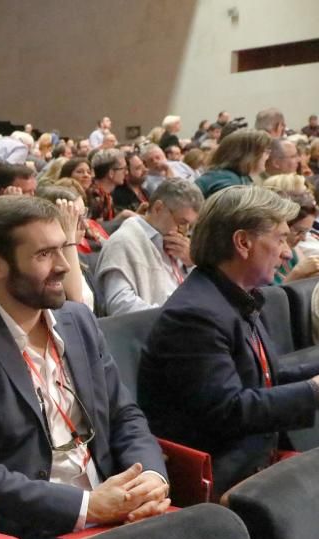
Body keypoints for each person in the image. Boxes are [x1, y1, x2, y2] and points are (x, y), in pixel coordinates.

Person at [0, 196, 169, 539]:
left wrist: (150, 476)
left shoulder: (79, 321)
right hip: (44, 530)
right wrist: (86, 506)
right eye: (44, 255)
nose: (63, 266)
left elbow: (124, 415)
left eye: (62, 249)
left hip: (120, 506)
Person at [139, 186, 319, 496]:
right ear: (243, 242)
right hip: (224, 482)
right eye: (278, 239)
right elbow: (228, 410)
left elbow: (264, 378)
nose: (287, 252)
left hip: (255, 463)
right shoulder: (194, 315)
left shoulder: (238, 296)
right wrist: (314, 391)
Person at [96, 178, 203, 316]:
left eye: (190, 225)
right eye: (181, 222)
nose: (184, 231)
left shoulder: (177, 243)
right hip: (156, 328)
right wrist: (173, 317)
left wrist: (190, 263)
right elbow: (120, 305)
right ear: (159, 208)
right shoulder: (123, 241)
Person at [195, 129, 271, 198]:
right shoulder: (227, 181)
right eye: (266, 151)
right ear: (249, 155)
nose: (268, 156)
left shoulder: (233, 177)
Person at [87, 149, 127, 221]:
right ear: (111, 173)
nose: (126, 173)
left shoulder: (105, 195)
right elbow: (97, 228)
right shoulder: (95, 198)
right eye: (123, 169)